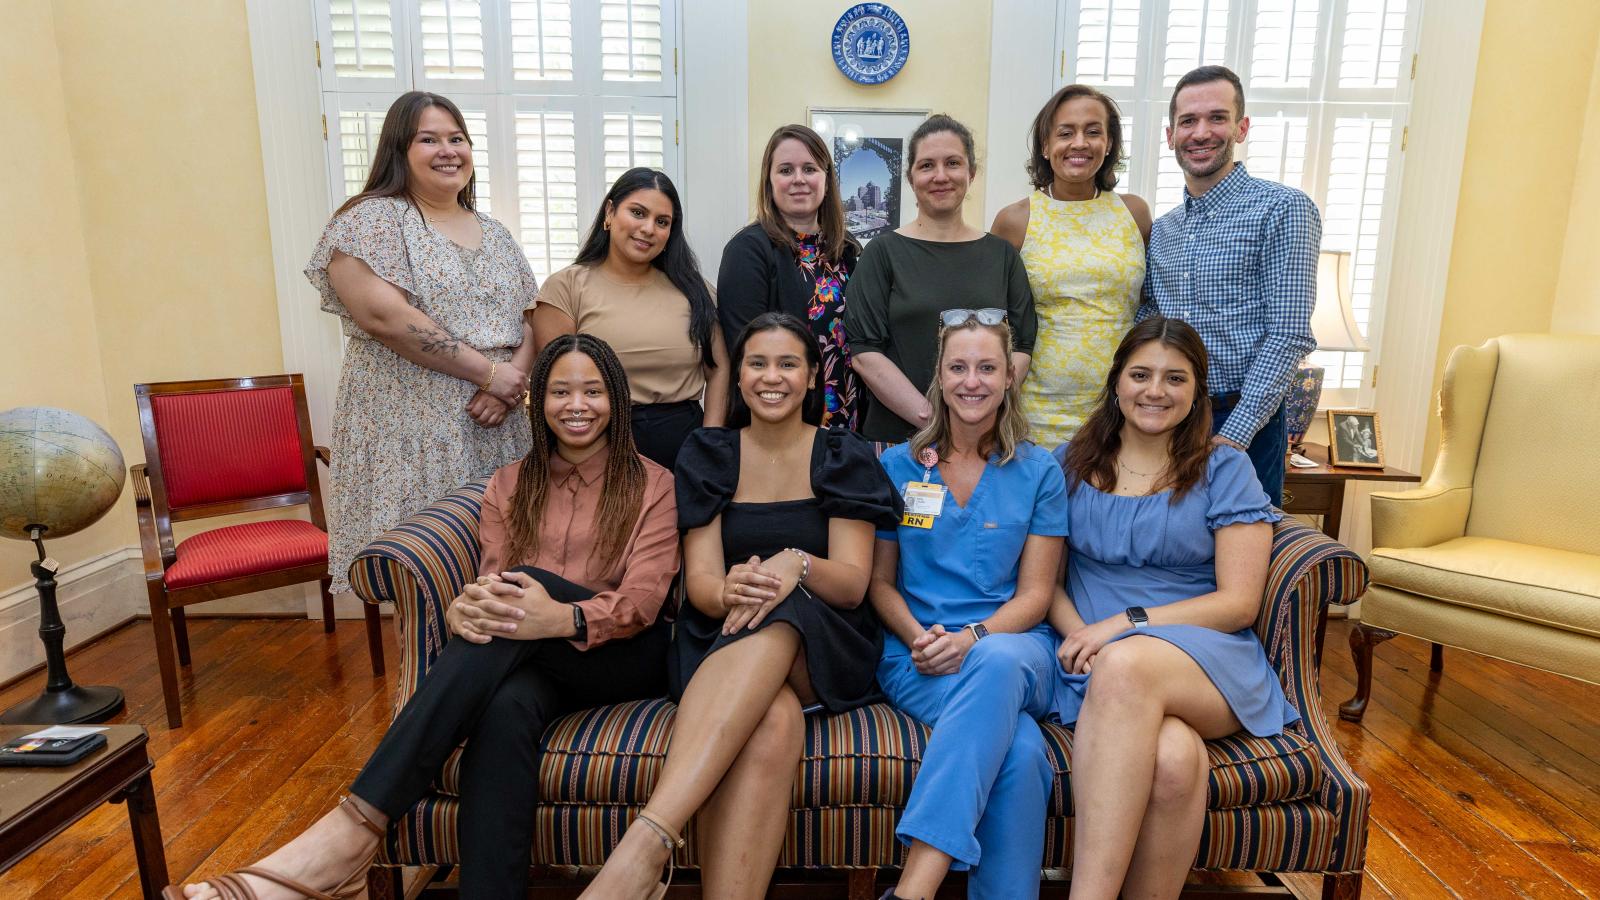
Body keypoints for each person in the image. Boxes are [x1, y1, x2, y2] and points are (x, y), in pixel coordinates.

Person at [168, 335, 680, 900]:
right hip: (528, 658)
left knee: (524, 590)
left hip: (621, 656)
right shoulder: (509, 483)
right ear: (538, 400)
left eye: (593, 391)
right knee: (505, 708)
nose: (576, 405)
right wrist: (467, 605)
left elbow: (642, 603)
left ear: (617, 400)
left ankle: (348, 834)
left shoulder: (653, 483)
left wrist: (560, 618)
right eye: (560, 391)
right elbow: (492, 583)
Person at [578, 312, 900, 900]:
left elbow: (854, 585)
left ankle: (645, 845)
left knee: (780, 607)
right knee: (772, 722)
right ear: (739, 375)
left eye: (787, 364)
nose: (771, 377)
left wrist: (794, 564)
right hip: (719, 637)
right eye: (757, 363)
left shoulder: (840, 453)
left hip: (824, 640)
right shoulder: (710, 452)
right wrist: (729, 589)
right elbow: (700, 584)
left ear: (812, 377)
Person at [1051, 317, 1299, 899]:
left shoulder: (1225, 468)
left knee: (1127, 665)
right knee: (1173, 758)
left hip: (1203, 657)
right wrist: (1082, 636)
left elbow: (1238, 602)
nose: (1155, 391)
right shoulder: (1069, 463)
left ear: (1197, 391)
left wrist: (1125, 626)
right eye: (1140, 375)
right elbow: (1046, 582)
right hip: (1093, 657)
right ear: (1117, 381)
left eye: (1175, 378)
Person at [870, 310, 1067, 900]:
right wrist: (919, 638)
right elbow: (880, 584)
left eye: (987, 367)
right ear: (939, 375)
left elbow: (1036, 596)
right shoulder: (897, 466)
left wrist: (973, 638)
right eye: (958, 367)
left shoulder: (1039, 471)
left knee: (997, 661)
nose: (972, 381)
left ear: (1010, 377)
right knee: (1022, 752)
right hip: (919, 655)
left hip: (1014, 647)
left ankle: (913, 890)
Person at [305, 90, 536, 592]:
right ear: (399, 150)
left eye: (457, 138)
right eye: (429, 140)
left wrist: (509, 386)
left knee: (500, 570)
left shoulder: (496, 232)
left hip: (499, 426)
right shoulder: (370, 220)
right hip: (412, 431)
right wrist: (489, 375)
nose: (448, 151)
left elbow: (528, 319)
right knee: (424, 574)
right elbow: (384, 317)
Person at [1141, 64, 1320, 507]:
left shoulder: (1283, 208)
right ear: (1170, 135)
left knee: (1242, 544)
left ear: (1241, 127)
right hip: (1169, 416)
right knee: (1170, 543)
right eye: (1188, 121)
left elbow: (1289, 333)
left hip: (1246, 420)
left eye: (1217, 118)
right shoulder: (1163, 230)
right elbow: (1150, 317)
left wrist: (1234, 435)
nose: (1201, 132)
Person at [844, 114, 1038, 444]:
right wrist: (936, 422)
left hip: (984, 441)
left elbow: (1022, 347)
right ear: (910, 177)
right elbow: (865, 353)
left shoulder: (1002, 256)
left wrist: (976, 415)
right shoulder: (882, 253)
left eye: (952, 163)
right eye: (927, 165)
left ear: (971, 172)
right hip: (898, 441)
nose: (940, 176)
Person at [531, 167, 728, 469]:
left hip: (685, 449)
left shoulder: (696, 290)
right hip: (597, 445)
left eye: (662, 222)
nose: (648, 228)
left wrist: (709, 443)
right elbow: (558, 385)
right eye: (638, 213)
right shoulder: (566, 287)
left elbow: (719, 370)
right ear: (610, 212)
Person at [993, 85, 1151, 446]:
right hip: (1035, 411)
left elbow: (1148, 304)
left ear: (1109, 144)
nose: (1079, 143)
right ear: (1045, 146)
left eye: (1093, 131)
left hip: (1122, 408)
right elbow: (996, 319)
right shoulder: (1015, 220)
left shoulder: (1135, 213)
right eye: (1065, 133)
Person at [718, 125, 863, 428]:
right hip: (779, 420)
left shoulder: (847, 249)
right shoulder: (747, 251)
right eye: (786, 170)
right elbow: (745, 353)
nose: (799, 179)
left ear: (826, 180)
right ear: (769, 182)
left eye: (809, 169)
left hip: (848, 418)